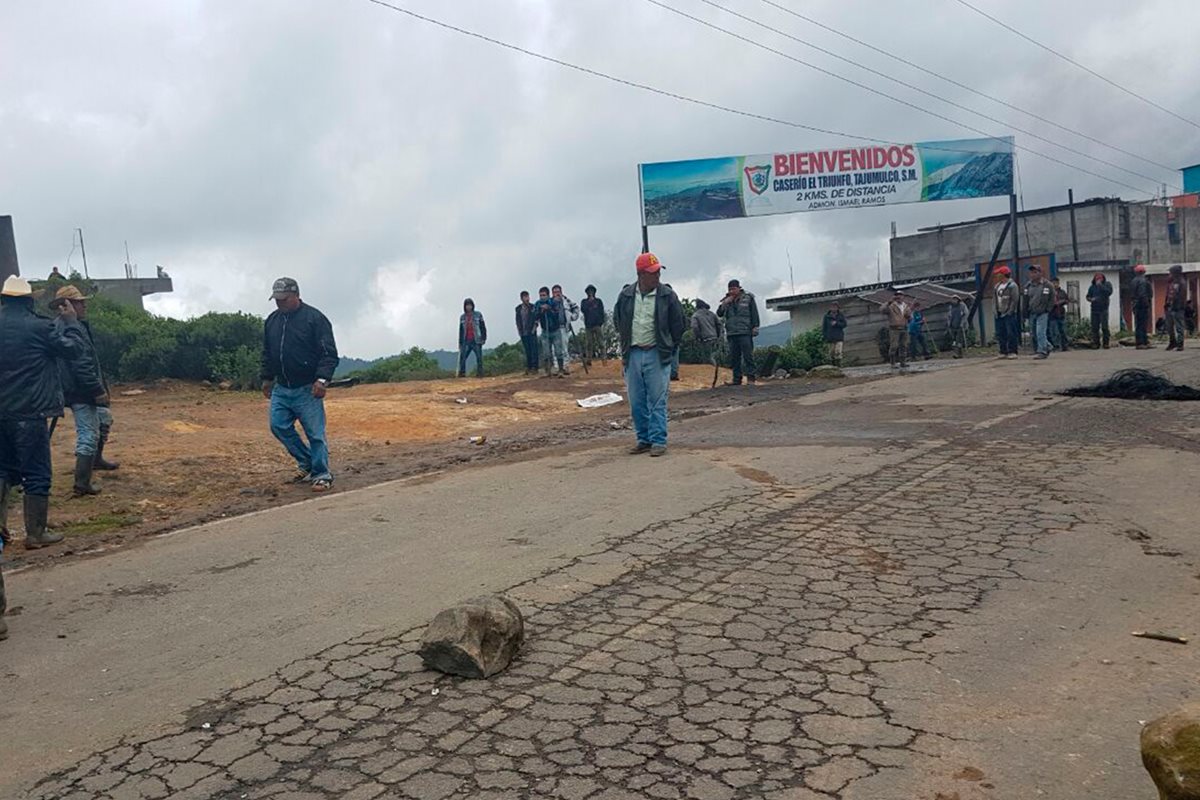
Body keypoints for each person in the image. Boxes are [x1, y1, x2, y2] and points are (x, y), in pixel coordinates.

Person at [0, 276, 92, 557]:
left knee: (3, 470)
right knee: (36, 473)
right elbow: (74, 350)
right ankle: (36, 532)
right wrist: (72, 322)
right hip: (31, 411)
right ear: (29, 300)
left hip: (1, 413)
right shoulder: (40, 327)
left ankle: (2, 528)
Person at [260, 277, 340, 493]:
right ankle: (308, 463)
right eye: (276, 300)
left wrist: (322, 379)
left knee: (315, 433)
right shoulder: (272, 321)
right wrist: (267, 378)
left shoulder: (315, 319)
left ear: (296, 295)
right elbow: (267, 352)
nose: (279, 304)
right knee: (278, 426)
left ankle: (322, 474)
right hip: (282, 388)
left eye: (283, 299)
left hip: (308, 388)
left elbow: (329, 354)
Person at [612, 252, 684, 457]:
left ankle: (658, 440)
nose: (657, 276)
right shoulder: (626, 296)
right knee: (636, 401)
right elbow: (619, 322)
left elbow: (678, 325)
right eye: (652, 273)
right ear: (640, 274)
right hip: (633, 354)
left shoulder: (668, 296)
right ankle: (643, 439)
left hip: (656, 353)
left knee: (657, 399)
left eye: (658, 272)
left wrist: (669, 347)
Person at [50, 286, 117, 498]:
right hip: (80, 389)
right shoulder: (70, 327)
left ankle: (95, 461)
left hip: (74, 387)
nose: (84, 305)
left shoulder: (64, 326)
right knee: (88, 433)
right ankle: (82, 483)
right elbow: (81, 364)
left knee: (104, 418)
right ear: (67, 305)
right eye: (79, 302)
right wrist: (97, 390)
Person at [717, 279, 760, 386]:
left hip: (745, 331)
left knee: (748, 356)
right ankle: (737, 379)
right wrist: (725, 303)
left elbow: (754, 313)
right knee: (734, 357)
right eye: (730, 289)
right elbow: (719, 313)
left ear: (739, 288)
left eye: (733, 289)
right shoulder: (726, 300)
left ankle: (751, 378)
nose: (731, 291)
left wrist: (755, 327)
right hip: (732, 332)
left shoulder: (748, 298)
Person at [534, 286, 567, 377]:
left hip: (555, 330)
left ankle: (560, 370)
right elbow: (535, 316)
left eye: (544, 295)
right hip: (545, 331)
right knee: (546, 352)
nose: (542, 297)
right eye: (540, 295)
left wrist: (549, 309)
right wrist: (540, 311)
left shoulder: (554, 302)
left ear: (548, 295)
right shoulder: (537, 304)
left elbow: (557, 315)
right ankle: (547, 371)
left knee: (558, 351)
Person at [1025, 265, 1055, 360]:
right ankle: (1048, 346)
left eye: (1035, 272)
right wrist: (1024, 311)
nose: (1033, 274)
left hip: (1043, 313)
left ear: (1040, 273)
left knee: (1040, 332)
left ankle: (1042, 351)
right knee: (1033, 333)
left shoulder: (1047, 285)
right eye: (1031, 272)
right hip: (1032, 312)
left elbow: (1052, 298)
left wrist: (1048, 309)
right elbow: (1025, 299)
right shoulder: (1028, 285)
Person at [993, 266, 1021, 359]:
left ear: (1003, 275)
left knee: (1011, 332)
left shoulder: (1012, 285)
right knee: (1001, 333)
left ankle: (1012, 351)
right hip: (999, 312)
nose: (997, 276)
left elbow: (1014, 300)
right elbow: (994, 299)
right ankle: (1003, 351)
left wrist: (1010, 311)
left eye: (999, 274)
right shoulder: (997, 286)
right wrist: (995, 310)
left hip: (1009, 313)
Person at [690, 299, 723, 374]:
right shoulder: (712, 314)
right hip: (714, 337)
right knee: (713, 355)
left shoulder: (695, 315)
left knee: (708, 358)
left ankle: (712, 374)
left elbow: (694, 327)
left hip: (705, 339)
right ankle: (715, 372)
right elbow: (719, 325)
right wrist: (718, 335)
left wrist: (698, 337)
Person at [457, 299, 487, 377]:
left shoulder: (478, 315)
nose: (468, 307)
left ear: (472, 306)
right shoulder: (462, 317)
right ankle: (462, 373)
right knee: (463, 357)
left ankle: (480, 373)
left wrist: (484, 338)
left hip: (476, 339)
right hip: (466, 340)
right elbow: (461, 330)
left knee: (479, 357)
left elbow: (482, 326)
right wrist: (460, 342)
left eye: (470, 305)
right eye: (467, 305)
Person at [514, 291, 540, 375]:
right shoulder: (518, 309)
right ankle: (529, 367)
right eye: (525, 297)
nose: (527, 299)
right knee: (527, 350)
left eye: (527, 297)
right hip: (523, 332)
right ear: (521, 298)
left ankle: (535, 368)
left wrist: (534, 328)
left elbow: (537, 318)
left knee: (534, 350)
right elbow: (517, 320)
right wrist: (519, 330)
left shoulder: (533, 307)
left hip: (531, 331)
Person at [580, 285, 606, 367]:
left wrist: (601, 322)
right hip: (588, 325)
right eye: (589, 291)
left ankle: (604, 359)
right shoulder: (584, 302)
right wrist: (590, 302)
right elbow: (583, 310)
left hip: (597, 324)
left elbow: (602, 312)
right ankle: (589, 360)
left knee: (601, 342)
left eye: (592, 291)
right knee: (589, 344)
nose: (590, 292)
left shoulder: (598, 301)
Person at [1086, 273, 1113, 349]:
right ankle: (1096, 343)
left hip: (1103, 309)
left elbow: (1109, 292)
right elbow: (1088, 296)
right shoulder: (1092, 287)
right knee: (1095, 328)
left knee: (1104, 327)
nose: (1098, 280)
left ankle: (1106, 343)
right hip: (1094, 309)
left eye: (1100, 279)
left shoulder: (1107, 285)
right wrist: (1091, 299)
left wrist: (1101, 286)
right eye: (1097, 279)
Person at [885, 290, 911, 369]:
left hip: (904, 328)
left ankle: (903, 362)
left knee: (904, 345)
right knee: (894, 346)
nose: (899, 296)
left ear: (903, 296)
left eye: (900, 295)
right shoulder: (891, 306)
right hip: (894, 329)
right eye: (897, 295)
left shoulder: (906, 306)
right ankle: (893, 363)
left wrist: (909, 316)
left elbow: (909, 315)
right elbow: (882, 310)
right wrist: (889, 302)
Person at [1165, 264, 1187, 351]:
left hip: (1177, 308)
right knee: (1169, 326)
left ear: (1175, 273)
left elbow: (1181, 297)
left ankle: (1180, 344)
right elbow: (1168, 295)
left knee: (1179, 326)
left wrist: (1178, 307)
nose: (1169, 275)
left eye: (1170, 273)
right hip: (1169, 307)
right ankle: (1172, 342)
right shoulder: (1171, 283)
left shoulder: (1181, 282)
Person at [1131, 264, 1153, 349]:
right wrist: (1146, 303)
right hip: (1142, 305)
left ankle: (1143, 341)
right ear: (1143, 272)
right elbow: (1142, 294)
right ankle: (1141, 342)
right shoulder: (1143, 281)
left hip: (1136, 304)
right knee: (1143, 324)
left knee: (1139, 324)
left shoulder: (1133, 281)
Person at [1050, 277, 1071, 352]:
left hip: (1061, 314)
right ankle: (1056, 346)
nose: (1054, 284)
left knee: (1063, 331)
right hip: (1052, 314)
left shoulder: (1062, 292)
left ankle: (1065, 346)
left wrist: (1061, 302)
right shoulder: (1049, 293)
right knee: (1054, 332)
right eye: (1053, 283)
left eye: (1056, 283)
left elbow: (1067, 300)